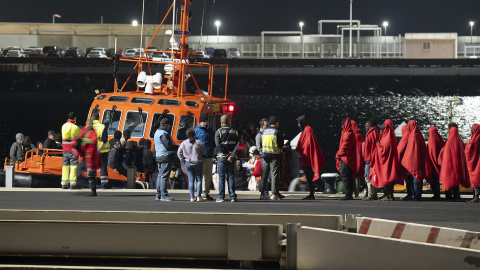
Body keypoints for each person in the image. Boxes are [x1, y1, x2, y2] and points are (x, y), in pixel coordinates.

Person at [397, 120, 431, 201]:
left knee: (413, 178)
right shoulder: (419, 135)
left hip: (411, 160)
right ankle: (417, 195)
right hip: (418, 160)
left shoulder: (411, 135)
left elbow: (404, 147)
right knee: (418, 178)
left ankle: (414, 195)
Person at [369, 119, 401, 201]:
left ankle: (389, 196)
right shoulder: (389, 135)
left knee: (387, 178)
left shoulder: (388, 137)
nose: (381, 130)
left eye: (382, 128)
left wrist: (378, 145)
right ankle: (387, 194)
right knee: (388, 178)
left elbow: (383, 151)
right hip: (389, 161)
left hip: (387, 162)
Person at [295, 115, 326, 200]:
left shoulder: (308, 129)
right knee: (308, 175)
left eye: (299, 123)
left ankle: (312, 193)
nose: (298, 125)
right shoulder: (305, 130)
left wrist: (301, 148)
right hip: (307, 157)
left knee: (309, 175)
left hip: (309, 157)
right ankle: (311, 193)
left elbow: (308, 144)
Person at [439, 123, 470, 202]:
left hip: (448, 165)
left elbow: (444, 152)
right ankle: (456, 196)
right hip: (458, 165)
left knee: (448, 178)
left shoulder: (449, 141)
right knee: (456, 179)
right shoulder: (460, 141)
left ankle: (448, 196)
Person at [215, 115, 240, 202]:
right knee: (231, 176)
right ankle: (233, 196)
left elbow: (218, 145)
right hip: (231, 158)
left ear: (221, 123)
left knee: (221, 177)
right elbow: (237, 145)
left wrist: (226, 154)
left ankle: (221, 197)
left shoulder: (218, 132)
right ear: (228, 122)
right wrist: (231, 155)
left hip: (221, 157)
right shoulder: (235, 132)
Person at [177, 128, 207, 202]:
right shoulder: (199, 142)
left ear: (187, 134)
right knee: (199, 180)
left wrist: (184, 160)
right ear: (194, 134)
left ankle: (192, 197)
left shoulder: (184, 143)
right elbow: (204, 152)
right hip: (198, 163)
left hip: (188, 163)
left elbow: (179, 153)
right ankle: (199, 197)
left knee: (191, 181)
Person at [260, 115, 284, 200]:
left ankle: (262, 194)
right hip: (274, 155)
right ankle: (274, 194)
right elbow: (280, 145)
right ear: (276, 123)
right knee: (274, 175)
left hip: (265, 155)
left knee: (264, 175)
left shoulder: (264, 131)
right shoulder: (277, 132)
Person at [154, 118, 177, 201]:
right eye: (169, 125)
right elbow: (168, 146)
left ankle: (158, 195)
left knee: (160, 175)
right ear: (165, 125)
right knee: (164, 176)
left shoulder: (157, 132)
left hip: (159, 156)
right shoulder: (163, 133)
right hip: (165, 157)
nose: (169, 126)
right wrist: (178, 147)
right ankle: (164, 195)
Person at [194, 113, 215, 200]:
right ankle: (197, 192)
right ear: (200, 122)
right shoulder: (196, 131)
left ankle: (205, 193)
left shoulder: (210, 131)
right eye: (204, 121)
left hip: (209, 156)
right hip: (200, 157)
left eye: (206, 121)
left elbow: (213, 143)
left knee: (208, 175)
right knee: (199, 175)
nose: (205, 123)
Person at [77, 122, 101, 196]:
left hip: (90, 158)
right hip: (86, 158)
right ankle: (89, 188)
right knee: (82, 172)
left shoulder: (91, 135)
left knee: (90, 174)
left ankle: (92, 191)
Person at [336, 118, 357, 200]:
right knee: (349, 177)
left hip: (346, 159)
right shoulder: (350, 133)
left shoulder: (347, 134)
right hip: (349, 158)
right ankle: (349, 193)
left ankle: (348, 194)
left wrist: (337, 155)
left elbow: (344, 147)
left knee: (345, 176)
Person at [61, 112, 80, 189]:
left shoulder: (64, 126)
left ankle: (64, 184)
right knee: (74, 166)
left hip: (65, 150)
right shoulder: (76, 127)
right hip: (73, 150)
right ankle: (73, 184)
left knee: (65, 166)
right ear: (74, 118)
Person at [362, 118, 380, 201]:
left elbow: (372, 146)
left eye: (367, 125)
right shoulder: (374, 132)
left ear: (370, 126)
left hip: (369, 158)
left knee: (368, 176)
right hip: (371, 157)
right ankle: (374, 194)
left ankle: (370, 194)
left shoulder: (371, 133)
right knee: (372, 176)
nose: (365, 127)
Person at [91, 112, 110, 188]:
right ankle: (104, 184)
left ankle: (92, 184)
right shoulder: (102, 126)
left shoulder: (89, 126)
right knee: (103, 167)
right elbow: (104, 139)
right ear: (98, 118)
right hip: (102, 151)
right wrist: (99, 149)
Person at [426, 126, 445, 201]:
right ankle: (437, 194)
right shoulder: (439, 138)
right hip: (439, 162)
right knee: (436, 179)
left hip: (433, 163)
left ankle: (436, 195)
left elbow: (432, 153)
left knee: (434, 179)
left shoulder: (432, 140)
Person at [466, 124, 480, 203]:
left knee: (476, 179)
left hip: (476, 163)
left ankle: (476, 197)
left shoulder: (474, 140)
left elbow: (470, 150)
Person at [351, 120, 364, 198]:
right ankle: (356, 193)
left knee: (351, 176)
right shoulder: (359, 134)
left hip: (352, 158)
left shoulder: (351, 135)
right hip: (359, 157)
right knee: (357, 176)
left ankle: (352, 192)